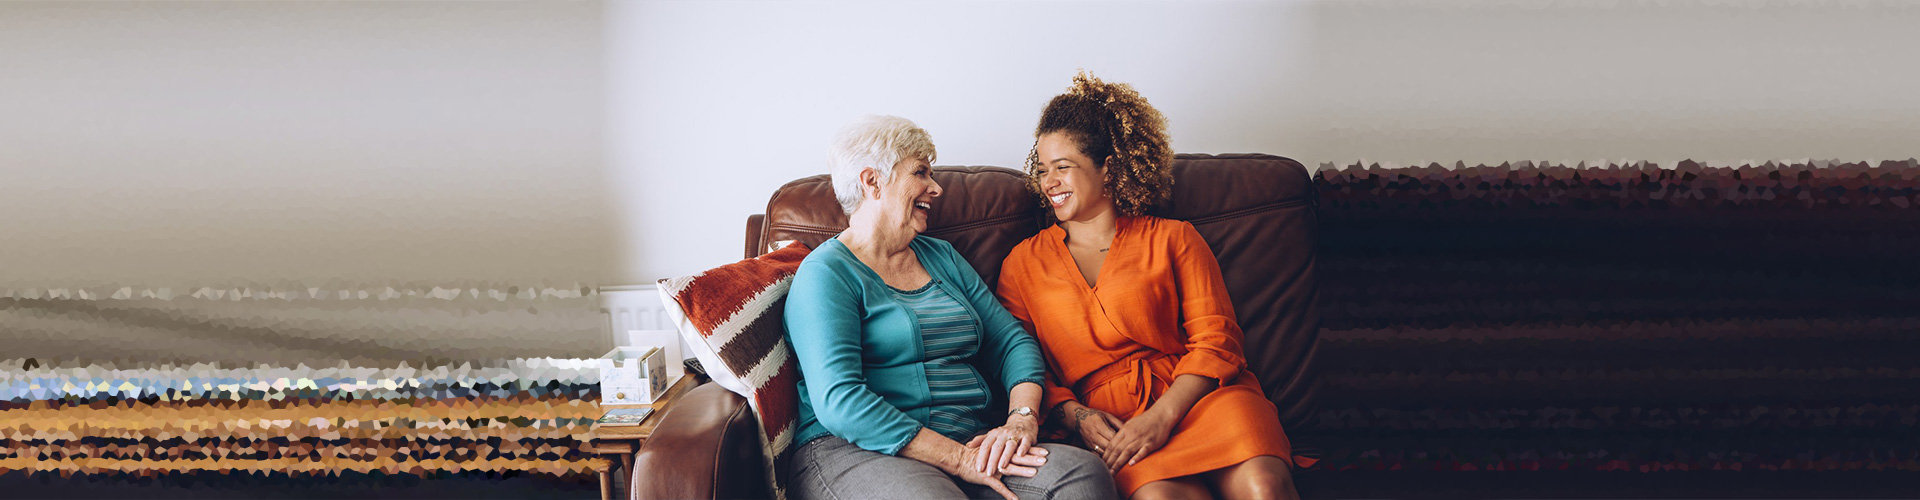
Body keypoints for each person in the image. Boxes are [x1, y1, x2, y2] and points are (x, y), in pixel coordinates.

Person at [997, 74, 1303, 500]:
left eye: (1063, 167)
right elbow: (1023, 364)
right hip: (1114, 423)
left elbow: (1217, 341)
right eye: (1043, 169)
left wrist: (1162, 417)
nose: (1049, 182)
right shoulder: (1021, 264)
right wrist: (1078, 416)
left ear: (1108, 169)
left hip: (1198, 400)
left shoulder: (1174, 237)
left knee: (1263, 487)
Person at [784, 115, 1117, 500]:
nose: (936, 188)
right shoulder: (827, 274)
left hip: (968, 440)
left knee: (1080, 476)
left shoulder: (940, 256)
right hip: (856, 450)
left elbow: (1011, 341)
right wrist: (957, 459)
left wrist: (1020, 420)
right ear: (871, 181)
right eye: (921, 172)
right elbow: (839, 401)